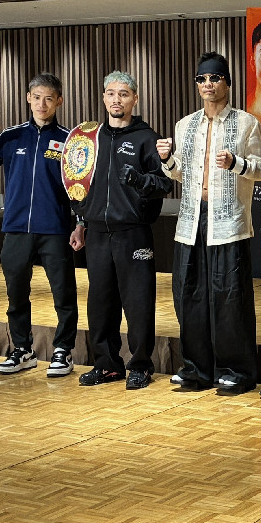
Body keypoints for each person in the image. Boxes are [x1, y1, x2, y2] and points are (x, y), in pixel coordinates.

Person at [156, 52, 261, 393]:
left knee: (230, 298)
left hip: (229, 221)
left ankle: (237, 371)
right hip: (191, 220)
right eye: (202, 79)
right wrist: (166, 159)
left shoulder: (247, 123)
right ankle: (196, 369)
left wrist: (236, 163)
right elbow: (180, 173)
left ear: (227, 83)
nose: (207, 84)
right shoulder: (184, 125)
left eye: (214, 78)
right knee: (188, 295)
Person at [0, 73, 78, 377]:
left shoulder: (69, 140)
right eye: (37, 97)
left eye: (49, 98)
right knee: (16, 293)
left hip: (55, 229)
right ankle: (22, 350)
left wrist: (80, 222)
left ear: (59, 101)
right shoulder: (12, 136)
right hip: (16, 229)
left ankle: (63, 351)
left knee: (63, 294)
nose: (42, 104)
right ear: (28, 98)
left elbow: (79, 187)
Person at [69, 71, 172, 390]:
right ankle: (107, 365)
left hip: (133, 232)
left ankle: (140, 365)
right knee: (100, 302)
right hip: (97, 233)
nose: (117, 99)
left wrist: (140, 181)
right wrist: (81, 222)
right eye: (111, 93)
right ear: (103, 98)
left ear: (135, 99)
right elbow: (78, 182)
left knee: (138, 302)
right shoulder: (91, 139)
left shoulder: (147, 138)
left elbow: (165, 183)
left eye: (124, 94)